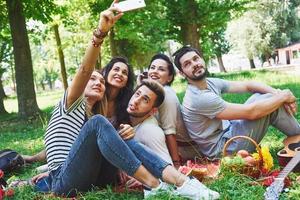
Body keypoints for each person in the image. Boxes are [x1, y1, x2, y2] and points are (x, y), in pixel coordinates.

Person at [31, 4, 220, 200]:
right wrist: (100, 34)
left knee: (117, 135)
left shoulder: (92, 113)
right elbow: (84, 71)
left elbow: (82, 151)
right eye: (93, 79)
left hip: (92, 176)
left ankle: (184, 183)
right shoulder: (71, 102)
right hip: (64, 181)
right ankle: (155, 186)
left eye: (101, 81)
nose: (98, 82)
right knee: (99, 124)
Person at [173, 45, 300, 158]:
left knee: (265, 96)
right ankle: (298, 136)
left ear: (202, 59)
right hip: (223, 149)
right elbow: (252, 113)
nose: (194, 64)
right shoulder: (198, 98)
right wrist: (283, 97)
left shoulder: (209, 82)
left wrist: (277, 93)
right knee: (268, 102)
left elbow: (247, 85)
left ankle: (298, 137)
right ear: (182, 73)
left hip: (229, 132)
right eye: (187, 64)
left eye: (196, 59)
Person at [138, 54, 198, 167]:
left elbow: (170, 132)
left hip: (184, 150)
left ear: (169, 77)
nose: (154, 71)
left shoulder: (166, 94)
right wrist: (141, 85)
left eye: (161, 69)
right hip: (170, 146)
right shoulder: (156, 94)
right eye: (152, 67)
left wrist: (176, 164)